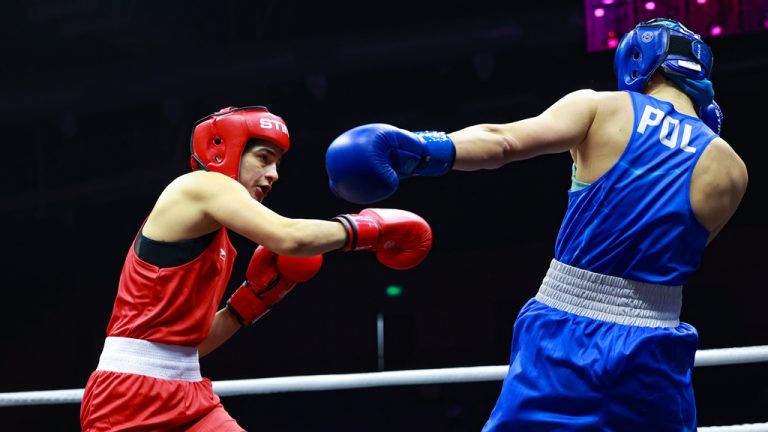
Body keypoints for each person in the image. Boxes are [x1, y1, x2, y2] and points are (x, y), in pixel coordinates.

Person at [324, 18, 748, 431]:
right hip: (658, 346)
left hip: (566, 332)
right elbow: (672, 253)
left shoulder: (604, 107)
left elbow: (502, 142)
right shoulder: (732, 168)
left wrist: (420, 149)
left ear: (637, 59)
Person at [79, 105, 434, 431]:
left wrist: (253, 300)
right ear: (223, 151)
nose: (273, 174)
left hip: (188, 392)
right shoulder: (198, 186)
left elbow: (187, 348)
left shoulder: (216, 238)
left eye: (277, 163)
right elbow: (290, 237)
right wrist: (369, 229)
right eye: (264, 158)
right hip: (128, 399)